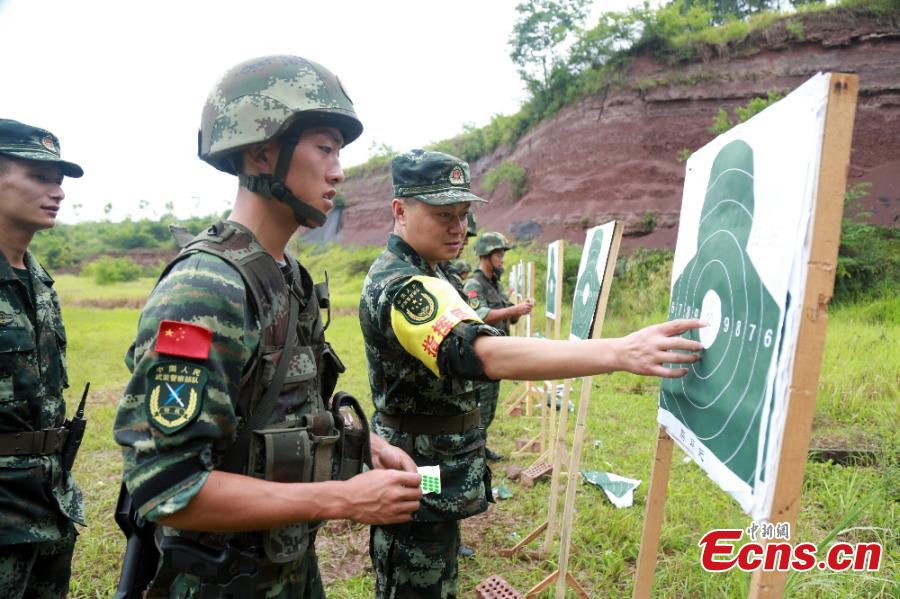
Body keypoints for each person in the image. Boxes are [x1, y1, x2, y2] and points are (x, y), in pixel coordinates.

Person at [112, 55, 422, 599]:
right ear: (261, 151)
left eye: (339, 154)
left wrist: (365, 444)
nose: (338, 171)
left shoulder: (288, 277)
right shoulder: (206, 289)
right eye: (324, 148)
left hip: (286, 568)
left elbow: (283, 410)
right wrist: (341, 499)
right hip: (218, 578)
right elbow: (168, 486)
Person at [360, 148, 704, 598]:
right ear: (400, 211)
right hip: (415, 465)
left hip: (432, 465)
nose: (458, 227)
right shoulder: (404, 285)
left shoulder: (431, 271)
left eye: (463, 214)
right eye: (444, 213)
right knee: (415, 576)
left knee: (436, 564)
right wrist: (619, 351)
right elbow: (482, 354)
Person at [0, 119, 85, 598]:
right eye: (39, 177)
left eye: (60, 180)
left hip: (48, 500)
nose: (57, 191)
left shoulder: (39, 280)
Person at [464, 231, 535, 461]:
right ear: (485, 255)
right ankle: (474, 453)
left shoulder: (495, 285)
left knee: (489, 408)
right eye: (498, 254)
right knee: (479, 409)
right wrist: (513, 309)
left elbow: (507, 318)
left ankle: (480, 449)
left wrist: (519, 310)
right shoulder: (474, 285)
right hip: (482, 357)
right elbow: (480, 315)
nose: (502, 259)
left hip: (497, 357)